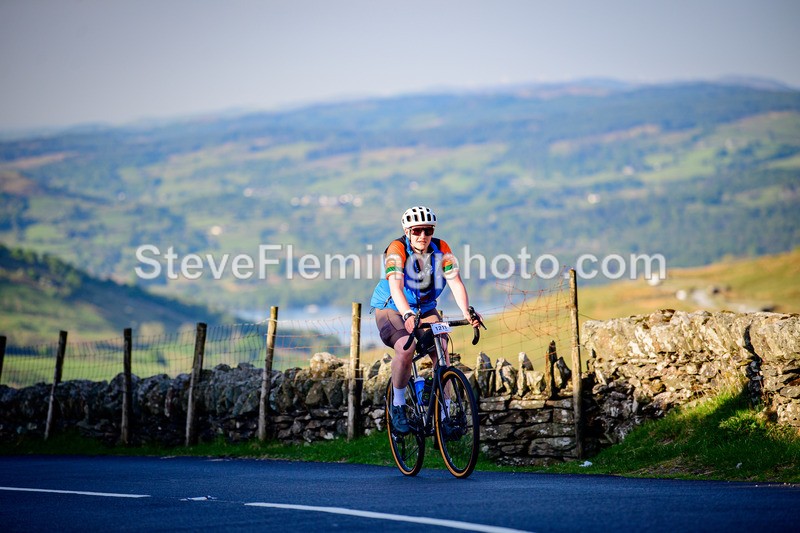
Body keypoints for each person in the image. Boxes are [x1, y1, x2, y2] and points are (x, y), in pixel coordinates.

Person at [370, 206, 482, 434]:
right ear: (407, 232)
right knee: (406, 347)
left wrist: (467, 312)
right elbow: (396, 288)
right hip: (392, 306)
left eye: (428, 230)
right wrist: (407, 314)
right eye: (417, 230)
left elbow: (455, 282)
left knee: (442, 349)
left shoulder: (442, 249)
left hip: (425, 307)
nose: (423, 236)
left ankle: (445, 415)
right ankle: (398, 405)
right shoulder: (396, 249)